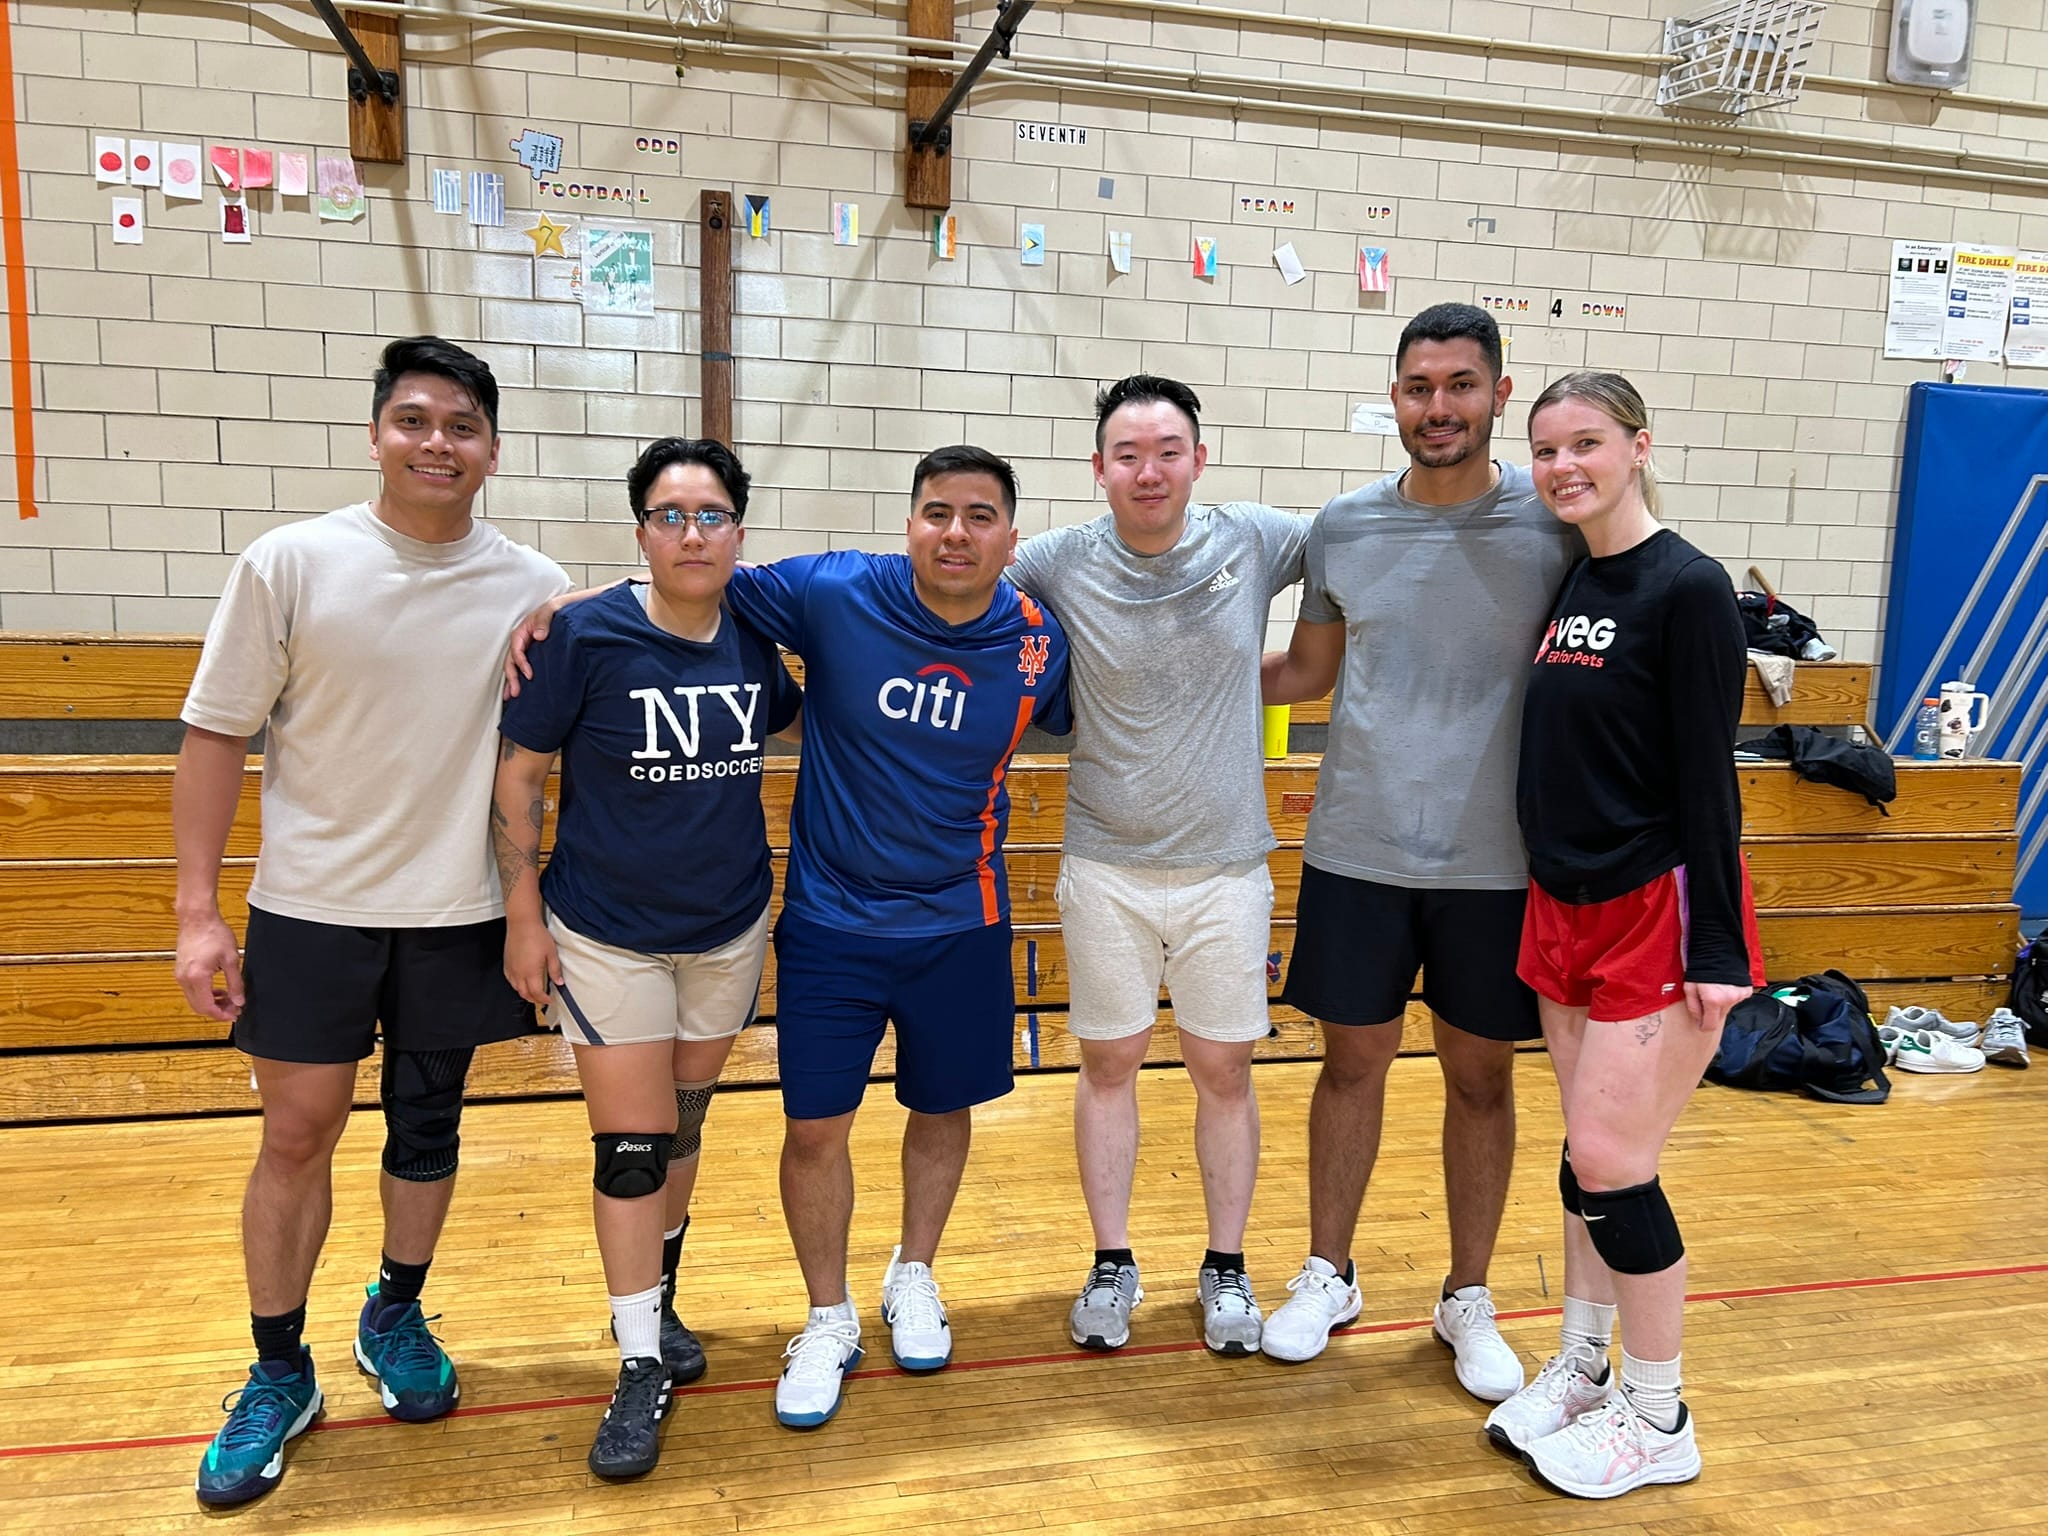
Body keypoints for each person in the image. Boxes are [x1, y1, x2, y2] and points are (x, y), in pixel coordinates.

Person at [510, 445, 1071, 1429]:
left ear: (1010, 537)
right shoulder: (831, 591)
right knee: (812, 1129)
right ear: (908, 524)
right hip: (828, 922)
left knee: (941, 1109)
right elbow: (691, 572)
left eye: (979, 516)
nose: (955, 532)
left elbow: (1081, 714)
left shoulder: (1037, 641)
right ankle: (826, 1315)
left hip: (962, 920)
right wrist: (572, 603)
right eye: (936, 512)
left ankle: (915, 1274)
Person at [174, 337, 569, 1507]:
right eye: (414, 420)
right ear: (376, 434)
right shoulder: (289, 563)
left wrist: (529, 910)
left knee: (426, 1127)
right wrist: (197, 913)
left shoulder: (536, 588)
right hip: (312, 910)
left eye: (461, 426)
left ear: (492, 450)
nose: (436, 443)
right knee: (297, 1134)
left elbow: (535, 762)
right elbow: (215, 736)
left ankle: (394, 1310)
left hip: (459, 910)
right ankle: (277, 1370)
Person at [1257, 304, 1577, 1400]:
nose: (1438, 407)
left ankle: (1467, 1296)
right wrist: (1167, 677)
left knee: (1480, 1080)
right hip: (1358, 848)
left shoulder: (1554, 526)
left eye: (1459, 386)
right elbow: (1305, 673)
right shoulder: (1343, 526)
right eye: (1418, 387)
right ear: (1393, 397)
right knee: (1348, 1066)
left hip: (1498, 864)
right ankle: (1328, 1272)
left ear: (1498, 394)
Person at [492, 439, 801, 1478]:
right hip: (604, 932)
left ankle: (658, 1303)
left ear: (739, 532)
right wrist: (523, 916)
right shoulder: (580, 636)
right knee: (630, 1147)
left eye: (710, 516)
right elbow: (518, 779)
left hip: (726, 928)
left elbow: (803, 708)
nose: (691, 533)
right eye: (669, 516)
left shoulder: (753, 635)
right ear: (640, 532)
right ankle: (636, 1363)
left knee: (684, 1128)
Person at [1484, 371, 1761, 1498]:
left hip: (1658, 906)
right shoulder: (1575, 575)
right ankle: (1583, 1365)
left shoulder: (1688, 587)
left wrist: (1718, 952)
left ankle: (1657, 1416)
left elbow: (1708, 776)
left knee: (1611, 1164)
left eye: (1586, 443)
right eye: (1546, 449)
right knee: (1583, 1158)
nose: (1563, 467)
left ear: (1638, 447)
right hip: (1563, 904)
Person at [1006, 376, 1309, 1357]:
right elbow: (939, 575)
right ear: (1098, 468)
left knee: (1224, 1070)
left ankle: (1226, 1265)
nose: (1149, 471)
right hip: (1105, 865)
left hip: (1227, 869)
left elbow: (1372, 537)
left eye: (1168, 451)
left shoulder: (1253, 538)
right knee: (1109, 1065)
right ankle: (1111, 1261)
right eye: (1128, 455)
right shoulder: (1055, 560)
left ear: (1198, 461)